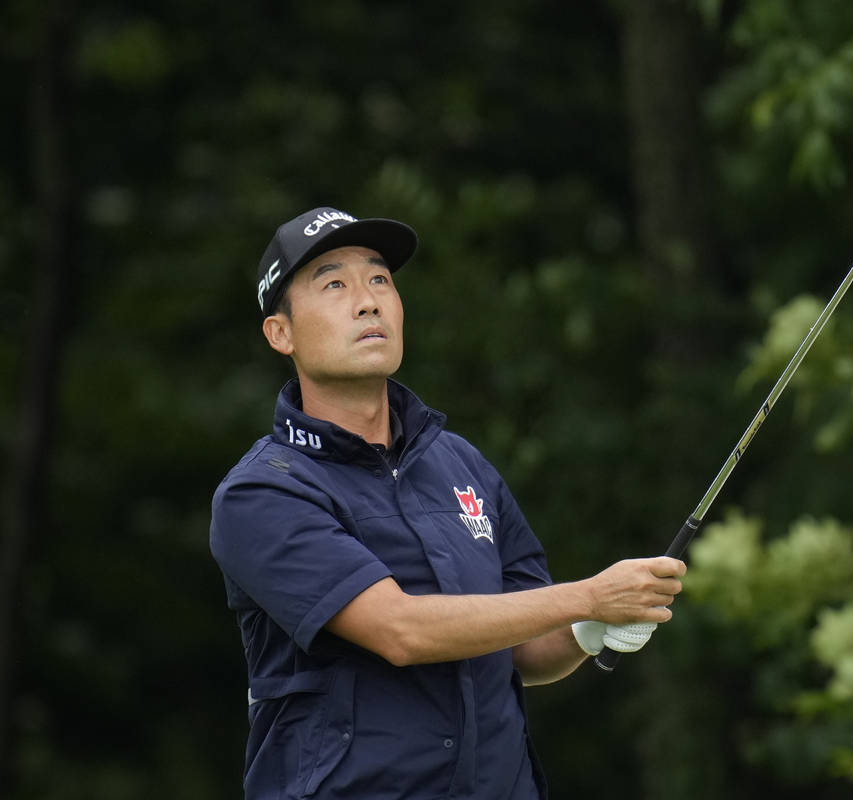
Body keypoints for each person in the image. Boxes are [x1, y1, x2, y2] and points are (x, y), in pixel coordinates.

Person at [209, 207, 686, 799]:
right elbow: (399, 630)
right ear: (281, 333)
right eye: (334, 284)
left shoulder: (460, 463)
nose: (367, 301)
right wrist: (588, 596)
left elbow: (527, 647)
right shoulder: (263, 491)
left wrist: (592, 628)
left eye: (380, 279)